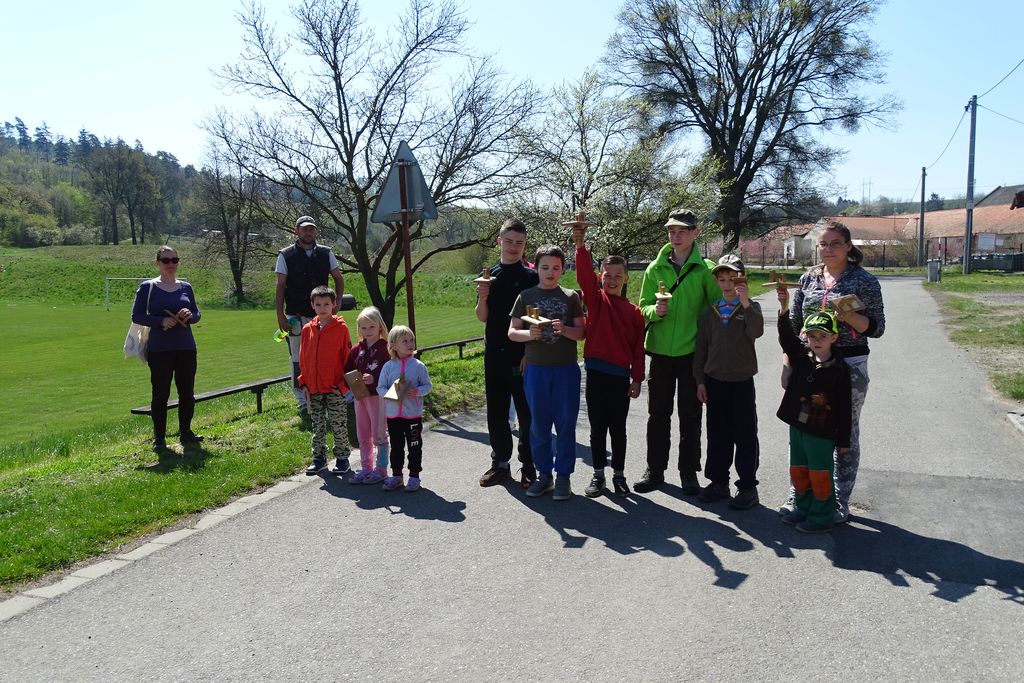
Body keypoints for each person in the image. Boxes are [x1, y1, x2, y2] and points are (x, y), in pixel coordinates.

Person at [780, 220, 885, 523]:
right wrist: (788, 363)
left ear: (848, 246)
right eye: (823, 244)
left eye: (835, 243)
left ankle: (839, 498)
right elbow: (795, 327)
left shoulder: (864, 281)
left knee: (843, 430)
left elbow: (877, 328)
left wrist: (849, 317)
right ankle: (800, 495)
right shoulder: (809, 278)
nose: (828, 249)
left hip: (849, 364)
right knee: (804, 428)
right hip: (809, 365)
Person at [635, 209, 721, 494]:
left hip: (692, 354)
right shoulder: (655, 268)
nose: (676, 236)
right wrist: (655, 311)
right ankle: (655, 470)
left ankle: (688, 472)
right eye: (672, 231)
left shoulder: (706, 270)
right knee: (657, 415)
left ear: (695, 233)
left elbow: (718, 308)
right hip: (660, 353)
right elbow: (642, 308)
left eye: (682, 231)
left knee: (690, 415)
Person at [508, 245, 586, 501]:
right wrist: (529, 334)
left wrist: (565, 329)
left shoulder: (571, 296)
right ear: (537, 269)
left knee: (565, 425)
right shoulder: (526, 296)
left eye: (555, 268)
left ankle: (563, 476)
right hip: (536, 371)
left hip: (565, 371)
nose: (550, 273)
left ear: (563, 269)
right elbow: (512, 332)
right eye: (545, 267)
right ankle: (544, 475)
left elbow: (581, 333)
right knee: (539, 426)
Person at [572, 230, 645, 498]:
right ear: (600, 277)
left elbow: (638, 349)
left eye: (617, 276)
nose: (612, 280)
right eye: (607, 275)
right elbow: (583, 276)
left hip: (619, 379)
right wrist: (581, 247)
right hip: (595, 375)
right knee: (597, 429)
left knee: (618, 429)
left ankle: (619, 475)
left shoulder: (634, 313)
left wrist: (637, 379)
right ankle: (598, 474)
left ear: (626, 279)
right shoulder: (595, 299)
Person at [775, 287, 852, 534]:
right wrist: (784, 309)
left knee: (819, 473)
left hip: (821, 430)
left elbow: (845, 407)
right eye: (812, 336)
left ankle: (822, 515)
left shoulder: (839, 370)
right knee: (799, 470)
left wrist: (844, 439)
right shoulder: (802, 357)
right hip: (798, 425)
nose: (817, 341)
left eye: (823, 336)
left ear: (834, 338)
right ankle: (803, 506)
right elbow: (786, 339)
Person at [693, 254, 764, 509]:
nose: (727, 284)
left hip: (741, 380)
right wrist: (700, 380)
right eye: (722, 279)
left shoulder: (750, 308)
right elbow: (701, 348)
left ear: (742, 280)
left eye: (732, 279)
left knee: (745, 434)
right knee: (717, 434)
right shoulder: (710, 312)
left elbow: (756, 331)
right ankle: (718, 482)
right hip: (715, 381)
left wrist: (745, 303)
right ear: (716, 281)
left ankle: (747, 487)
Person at [476, 218, 539, 488]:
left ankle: (529, 465)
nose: (514, 247)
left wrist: (529, 352)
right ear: (499, 241)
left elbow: (536, 320)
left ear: (525, 245)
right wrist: (482, 296)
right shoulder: (489, 275)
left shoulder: (531, 277)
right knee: (497, 412)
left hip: (521, 355)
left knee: (526, 414)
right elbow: (482, 317)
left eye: (519, 243)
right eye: (509, 241)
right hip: (494, 354)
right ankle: (500, 463)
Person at [132, 246, 203, 451]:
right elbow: (137, 316)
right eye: (166, 260)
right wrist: (161, 321)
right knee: (160, 394)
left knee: (187, 393)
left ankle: (186, 433)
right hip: (160, 349)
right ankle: (160, 439)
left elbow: (197, 314)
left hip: (186, 347)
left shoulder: (186, 287)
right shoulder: (148, 287)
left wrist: (190, 315)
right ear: (157, 263)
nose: (171, 264)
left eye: (174, 260)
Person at [276, 215, 345, 416]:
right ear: (296, 231)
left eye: (311, 229)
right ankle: (302, 400)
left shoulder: (326, 252)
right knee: (297, 358)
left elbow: (338, 278)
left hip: (322, 314)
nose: (308, 232)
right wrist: (280, 314)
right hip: (296, 315)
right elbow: (280, 285)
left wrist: (338, 301)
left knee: (325, 355)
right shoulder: (285, 255)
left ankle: (326, 393)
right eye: (305, 229)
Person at [297, 286, 352, 476]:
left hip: (335, 387)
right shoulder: (307, 330)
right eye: (318, 304)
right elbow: (303, 358)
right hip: (314, 387)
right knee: (317, 424)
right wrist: (303, 382)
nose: (322, 308)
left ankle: (342, 459)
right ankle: (319, 458)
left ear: (334, 304)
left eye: (326, 304)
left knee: (338, 423)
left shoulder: (341, 329)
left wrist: (343, 386)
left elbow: (348, 359)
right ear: (312, 305)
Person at [377, 326, 432, 492]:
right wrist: (390, 394)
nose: (410, 344)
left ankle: (414, 476)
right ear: (393, 345)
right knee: (396, 446)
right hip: (393, 416)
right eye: (405, 341)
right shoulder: (388, 366)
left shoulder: (418, 366)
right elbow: (380, 387)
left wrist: (417, 391)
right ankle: (397, 476)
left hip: (413, 416)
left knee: (414, 446)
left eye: (411, 340)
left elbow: (427, 386)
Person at [344, 306, 391, 485]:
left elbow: (391, 373)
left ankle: (381, 469)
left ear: (380, 327)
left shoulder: (386, 349)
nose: (368, 331)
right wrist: (350, 382)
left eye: (371, 327)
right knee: (363, 433)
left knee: (379, 433)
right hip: (360, 397)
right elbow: (347, 369)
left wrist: (375, 378)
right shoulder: (357, 349)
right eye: (363, 327)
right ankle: (366, 468)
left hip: (377, 397)